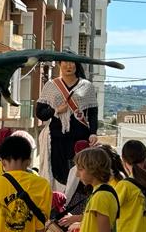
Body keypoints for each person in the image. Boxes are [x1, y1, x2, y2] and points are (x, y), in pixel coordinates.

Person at [36, 61, 99, 189]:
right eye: (65, 63)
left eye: (72, 63)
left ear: (76, 65)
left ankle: (76, 203)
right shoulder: (51, 85)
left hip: (80, 138)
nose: (69, 66)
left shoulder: (87, 86)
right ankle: (59, 201)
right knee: (58, 173)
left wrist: (93, 132)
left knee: (80, 172)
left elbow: (92, 113)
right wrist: (56, 110)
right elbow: (40, 113)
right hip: (57, 137)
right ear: (60, 64)